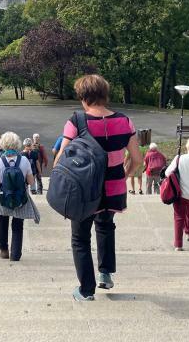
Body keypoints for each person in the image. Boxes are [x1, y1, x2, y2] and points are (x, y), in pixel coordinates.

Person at [55, 74, 142, 301]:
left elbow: (60, 159)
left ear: (84, 97)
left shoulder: (76, 121)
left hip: (85, 191)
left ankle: (86, 290)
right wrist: (123, 177)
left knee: (80, 238)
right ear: (105, 94)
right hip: (113, 189)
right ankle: (105, 274)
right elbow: (137, 159)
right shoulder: (125, 121)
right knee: (105, 226)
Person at [0, 131, 39, 261]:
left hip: (3, 197)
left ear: (3, 145)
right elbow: (32, 181)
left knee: (2, 223)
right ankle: (15, 254)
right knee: (18, 225)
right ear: (17, 144)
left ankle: (4, 250)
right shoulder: (24, 160)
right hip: (20, 198)